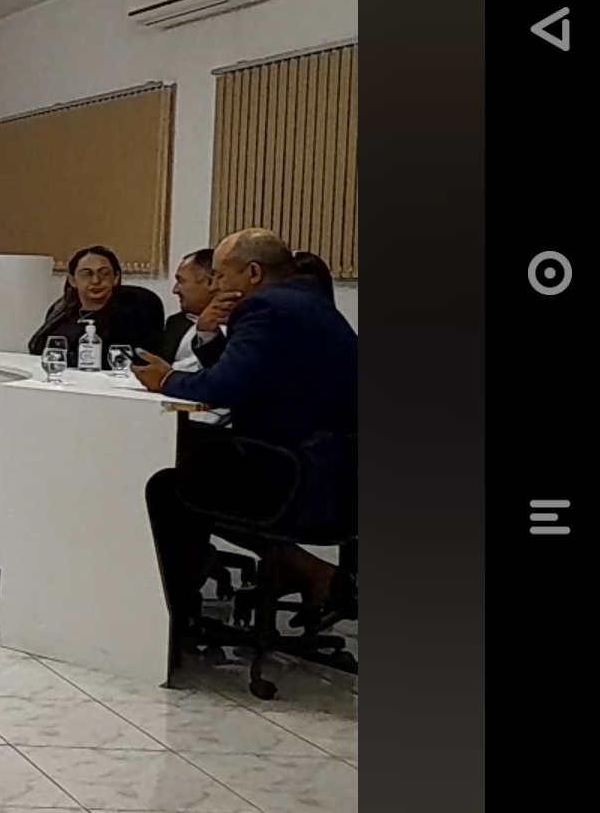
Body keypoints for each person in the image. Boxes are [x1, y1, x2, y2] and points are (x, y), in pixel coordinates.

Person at [130, 229, 359, 652]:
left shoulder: (266, 308)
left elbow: (223, 388)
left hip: (295, 473)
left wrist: (167, 379)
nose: (216, 285)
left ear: (252, 273)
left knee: (167, 484)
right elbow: (251, 376)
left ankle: (178, 616)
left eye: (221, 274)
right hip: (331, 472)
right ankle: (307, 571)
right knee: (192, 461)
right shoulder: (306, 301)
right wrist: (207, 335)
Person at [25, 246, 165, 358]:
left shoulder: (135, 310)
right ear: (72, 280)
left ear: (116, 278)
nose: (96, 281)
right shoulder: (61, 310)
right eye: (87, 274)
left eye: (104, 273)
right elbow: (38, 349)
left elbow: (128, 357)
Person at [159, 248, 232, 373]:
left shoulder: (244, 326)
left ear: (211, 283)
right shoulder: (176, 323)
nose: (175, 290)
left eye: (181, 281)